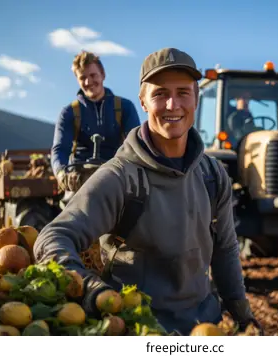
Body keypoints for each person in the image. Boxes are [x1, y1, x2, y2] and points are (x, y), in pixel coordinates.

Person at [34, 47, 262, 336]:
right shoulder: (120, 178)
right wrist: (91, 288)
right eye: (159, 94)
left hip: (205, 327)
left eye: (182, 92)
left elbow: (227, 248)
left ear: (196, 98)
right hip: (139, 328)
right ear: (142, 101)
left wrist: (241, 312)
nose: (172, 104)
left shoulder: (212, 175)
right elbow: (52, 238)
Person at [51, 50, 141, 192]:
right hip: (79, 182)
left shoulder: (125, 107)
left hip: (116, 178)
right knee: (72, 213)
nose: (88, 82)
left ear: (103, 74)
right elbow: (60, 149)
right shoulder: (69, 113)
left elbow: (137, 147)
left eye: (93, 75)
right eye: (82, 78)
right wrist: (62, 173)